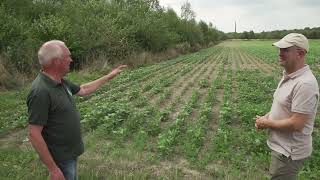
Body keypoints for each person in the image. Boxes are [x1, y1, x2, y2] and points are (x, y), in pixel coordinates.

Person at [27, 40, 127, 180]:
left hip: (69, 154)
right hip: (60, 158)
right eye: (68, 56)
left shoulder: (60, 81)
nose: (71, 60)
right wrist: (54, 170)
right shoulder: (41, 91)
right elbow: (34, 133)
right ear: (56, 61)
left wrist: (110, 75)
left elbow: (84, 89)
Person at [255, 33, 319, 180]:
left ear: (300, 53)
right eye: (280, 49)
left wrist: (267, 123)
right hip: (281, 148)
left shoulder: (305, 84)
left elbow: (296, 123)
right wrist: (266, 117)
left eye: (285, 50)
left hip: (289, 152)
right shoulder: (289, 75)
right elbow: (282, 106)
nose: (280, 53)